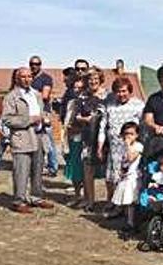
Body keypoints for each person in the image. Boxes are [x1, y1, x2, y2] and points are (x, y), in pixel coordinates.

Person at [1, 68, 53, 213]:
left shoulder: (36, 94)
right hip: (22, 137)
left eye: (29, 76)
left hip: (38, 136)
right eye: (23, 76)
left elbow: (41, 112)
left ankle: (36, 197)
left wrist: (44, 119)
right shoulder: (11, 97)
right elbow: (7, 119)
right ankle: (19, 200)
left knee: (37, 169)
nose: (27, 79)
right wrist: (30, 120)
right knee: (21, 171)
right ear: (17, 79)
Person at [98, 77, 145, 217]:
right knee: (114, 179)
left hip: (131, 149)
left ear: (129, 90)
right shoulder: (110, 105)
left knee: (129, 179)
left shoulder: (139, 105)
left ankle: (130, 209)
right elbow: (103, 127)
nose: (121, 94)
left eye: (124, 91)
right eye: (118, 92)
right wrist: (100, 147)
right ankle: (117, 206)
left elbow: (143, 128)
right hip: (114, 149)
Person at [74, 68, 108, 211]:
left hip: (105, 137)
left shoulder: (108, 96)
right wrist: (86, 119)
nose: (93, 81)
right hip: (88, 136)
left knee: (108, 171)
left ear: (100, 79)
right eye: (90, 79)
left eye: (95, 79)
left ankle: (111, 201)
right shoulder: (82, 96)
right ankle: (90, 201)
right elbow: (76, 116)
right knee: (88, 170)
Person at [110, 121, 144, 234]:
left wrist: (128, 145)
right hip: (126, 176)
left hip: (134, 178)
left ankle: (133, 223)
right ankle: (129, 222)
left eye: (131, 133)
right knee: (127, 202)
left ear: (137, 135)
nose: (128, 136)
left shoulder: (138, 146)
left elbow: (131, 158)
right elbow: (124, 161)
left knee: (132, 201)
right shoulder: (124, 146)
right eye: (126, 133)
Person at [29, 55, 58, 176]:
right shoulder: (29, 78)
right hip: (31, 113)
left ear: (40, 65)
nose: (34, 66)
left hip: (43, 112)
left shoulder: (46, 78)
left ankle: (52, 167)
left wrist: (28, 95)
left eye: (37, 64)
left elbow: (45, 95)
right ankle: (38, 165)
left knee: (48, 140)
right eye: (32, 64)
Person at [62, 76, 85, 200]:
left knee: (82, 169)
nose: (77, 90)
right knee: (73, 167)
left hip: (82, 139)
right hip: (70, 138)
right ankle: (77, 195)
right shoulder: (71, 103)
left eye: (80, 88)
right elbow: (66, 121)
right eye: (75, 88)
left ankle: (85, 196)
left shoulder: (87, 102)